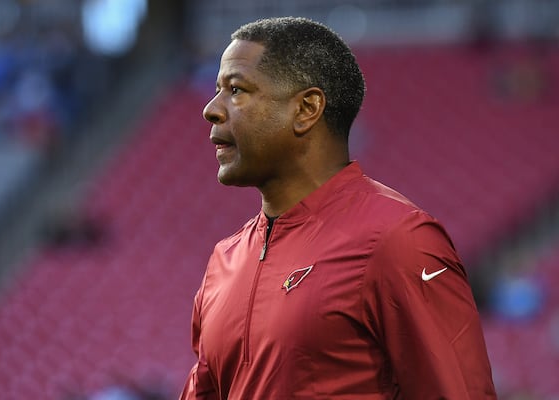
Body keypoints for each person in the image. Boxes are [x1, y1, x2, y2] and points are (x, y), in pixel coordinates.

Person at [180, 17, 497, 399]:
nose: (211, 109)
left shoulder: (399, 241)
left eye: (236, 89)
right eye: (217, 90)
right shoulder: (224, 261)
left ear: (307, 109)